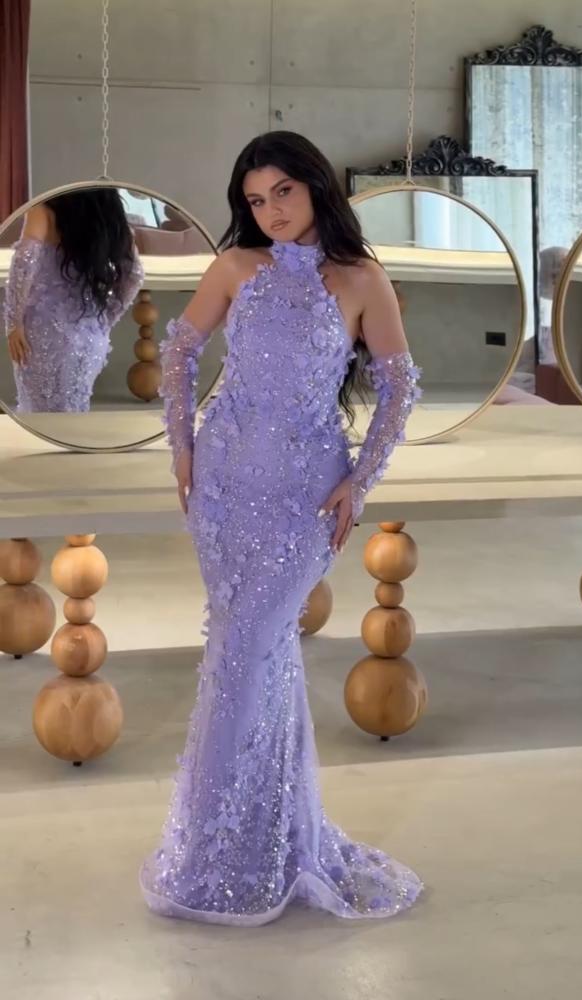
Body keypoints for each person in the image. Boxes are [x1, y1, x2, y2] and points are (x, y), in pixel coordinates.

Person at [139, 131, 423, 926]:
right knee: (253, 655)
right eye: (255, 200)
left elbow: (400, 388)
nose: (270, 212)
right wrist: (182, 447)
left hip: (303, 496)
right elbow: (179, 351)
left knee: (246, 653)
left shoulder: (362, 279)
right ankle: (262, 841)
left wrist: (358, 481)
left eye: (283, 193)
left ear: (314, 185)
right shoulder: (236, 267)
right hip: (224, 486)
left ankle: (221, 855)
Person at [3, 188, 144, 413]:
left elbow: (24, 262)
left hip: (43, 332)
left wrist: (13, 322)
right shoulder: (108, 211)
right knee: (75, 412)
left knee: (39, 417)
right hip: (90, 333)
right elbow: (134, 275)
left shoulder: (44, 209)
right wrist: (106, 318)